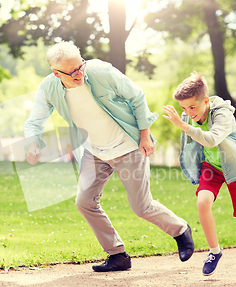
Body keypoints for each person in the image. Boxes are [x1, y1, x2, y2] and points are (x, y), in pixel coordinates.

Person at [24, 41, 194, 272]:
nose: (79, 73)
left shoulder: (100, 71)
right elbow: (35, 120)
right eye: (72, 71)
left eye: (80, 66)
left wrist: (145, 135)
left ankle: (180, 230)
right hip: (95, 152)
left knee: (141, 207)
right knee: (84, 202)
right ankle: (118, 255)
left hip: (127, 146)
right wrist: (32, 142)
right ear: (56, 73)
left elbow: (137, 96)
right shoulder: (49, 88)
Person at [162, 72, 236, 277]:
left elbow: (211, 140)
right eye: (184, 108)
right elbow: (192, 145)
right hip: (212, 168)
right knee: (202, 202)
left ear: (206, 100)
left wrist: (183, 125)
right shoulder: (188, 116)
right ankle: (214, 252)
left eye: (192, 107)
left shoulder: (222, 115)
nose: (188, 113)